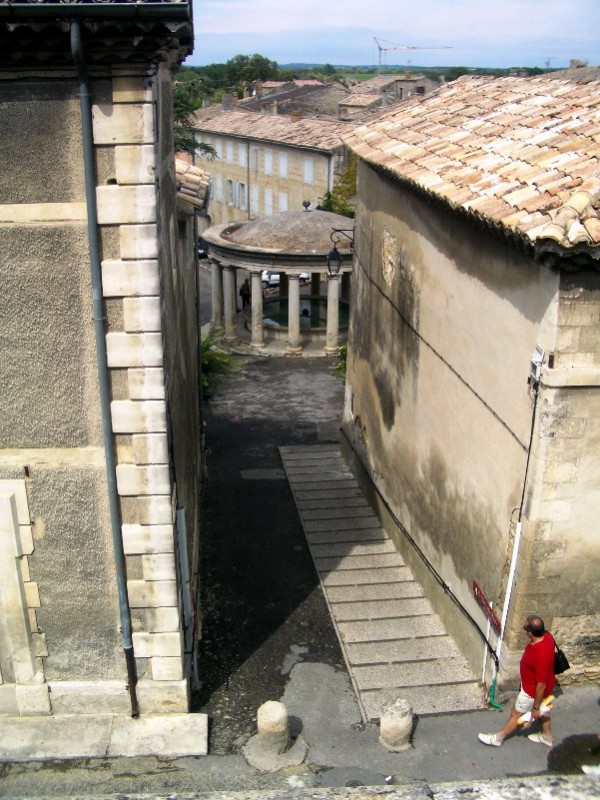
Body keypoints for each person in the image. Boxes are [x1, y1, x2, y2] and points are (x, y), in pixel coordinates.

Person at [478, 615, 555, 748]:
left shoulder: (540, 654)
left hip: (531, 691)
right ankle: (547, 737)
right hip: (545, 685)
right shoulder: (547, 637)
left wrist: (535, 708)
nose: (524, 629)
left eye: (525, 627)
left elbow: (540, 685)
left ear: (530, 633)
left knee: (516, 713)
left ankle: (498, 739)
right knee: (544, 710)